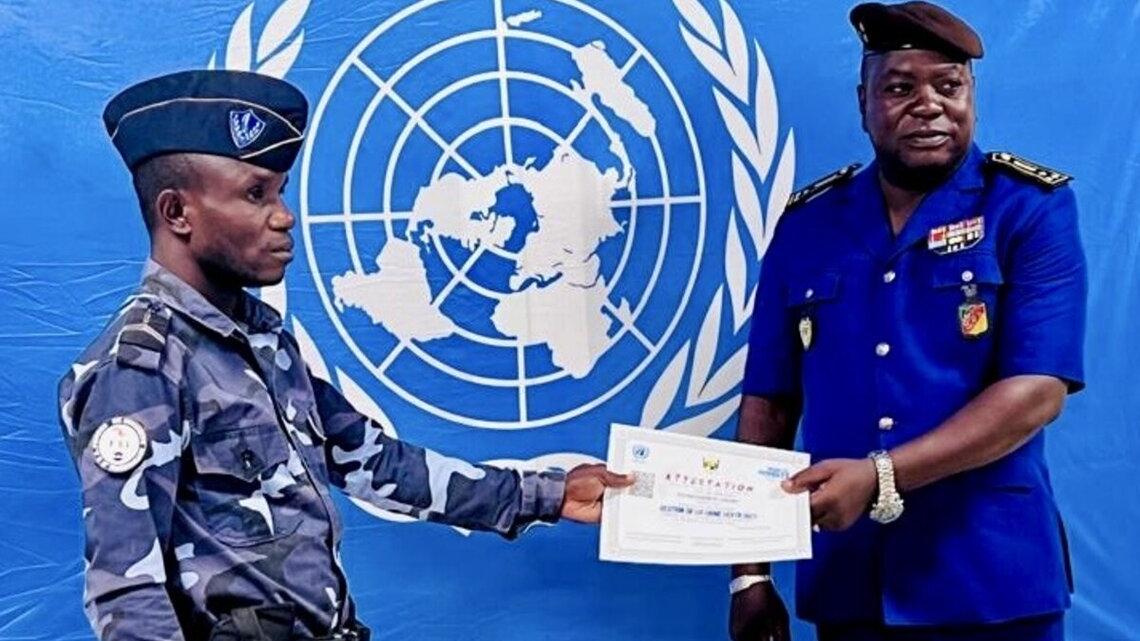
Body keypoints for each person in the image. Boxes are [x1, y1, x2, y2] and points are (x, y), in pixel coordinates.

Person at [58, 69, 632, 641]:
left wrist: (551, 493)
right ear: (177, 213)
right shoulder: (139, 369)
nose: (284, 215)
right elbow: (126, 593)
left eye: (280, 192)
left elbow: (379, 465)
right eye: (256, 194)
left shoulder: (261, 345)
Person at [729, 2, 1086, 640]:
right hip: (852, 583)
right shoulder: (807, 225)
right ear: (863, 101)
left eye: (949, 85)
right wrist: (749, 575)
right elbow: (769, 404)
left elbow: (1038, 391)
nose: (928, 105)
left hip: (992, 581)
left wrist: (880, 477)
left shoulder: (1029, 209)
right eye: (899, 88)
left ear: (971, 95)